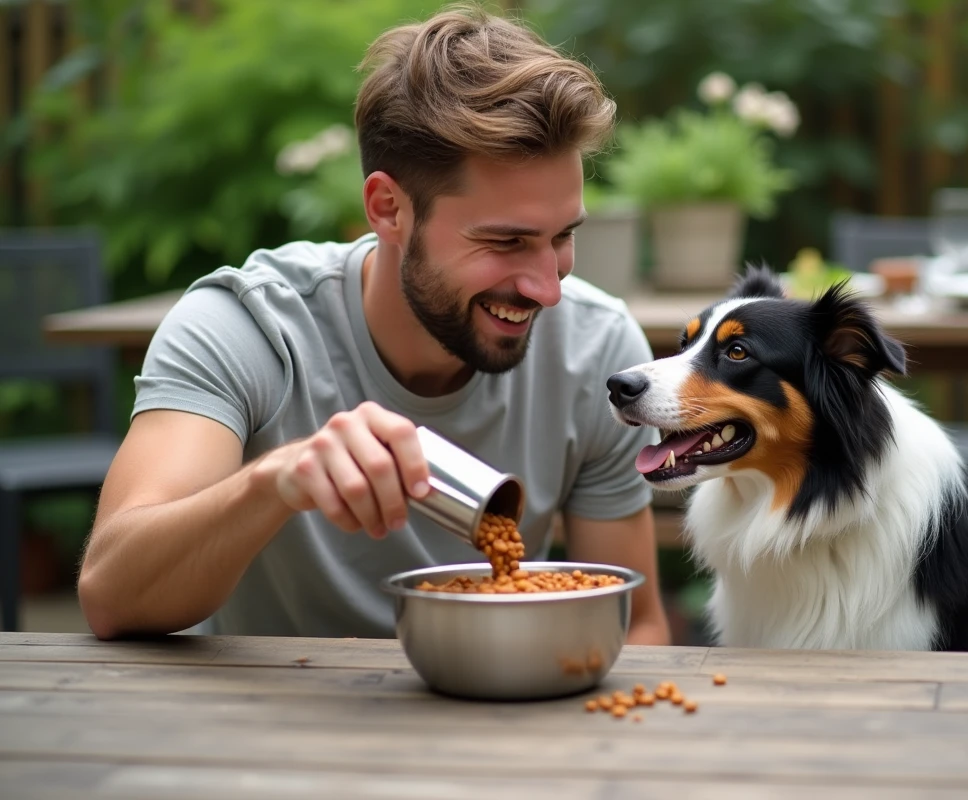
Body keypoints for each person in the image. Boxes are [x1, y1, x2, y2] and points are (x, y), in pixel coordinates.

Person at [76, 4, 671, 645]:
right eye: (505, 241)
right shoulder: (246, 328)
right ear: (388, 209)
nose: (548, 289)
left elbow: (635, 626)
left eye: (562, 237)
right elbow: (112, 596)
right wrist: (275, 481)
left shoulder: (596, 349)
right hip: (265, 730)